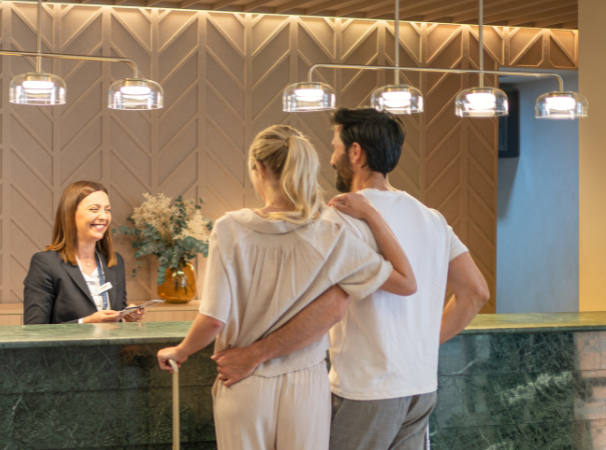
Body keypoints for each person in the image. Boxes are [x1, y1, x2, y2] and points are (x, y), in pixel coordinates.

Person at [212, 108, 491, 450]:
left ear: (355, 152)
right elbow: (475, 292)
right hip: (421, 387)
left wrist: (254, 354)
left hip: (367, 389)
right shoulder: (432, 218)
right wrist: (419, 344)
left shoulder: (340, 218)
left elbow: (330, 310)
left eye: (335, 148)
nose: (331, 159)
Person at [154, 124, 417, 450]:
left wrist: (179, 351)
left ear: (260, 168)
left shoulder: (230, 228)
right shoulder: (330, 234)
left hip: (243, 380)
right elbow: (406, 282)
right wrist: (373, 217)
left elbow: (213, 320)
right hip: (306, 384)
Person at [23, 181, 145, 324]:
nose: (104, 216)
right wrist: (86, 323)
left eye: (107, 210)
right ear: (70, 214)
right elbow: (34, 330)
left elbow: (115, 319)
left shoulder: (114, 261)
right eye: (94, 209)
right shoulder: (45, 264)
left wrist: (126, 316)